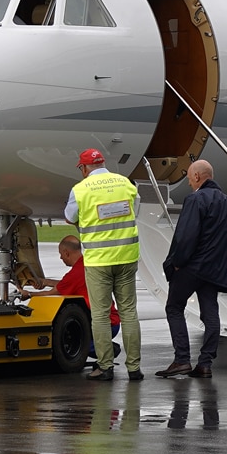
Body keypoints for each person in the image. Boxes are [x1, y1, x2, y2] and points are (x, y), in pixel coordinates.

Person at [157, 159, 227, 378]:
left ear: (198, 177)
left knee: (174, 307)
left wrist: (177, 262)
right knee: (210, 313)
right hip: (215, 270)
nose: (189, 182)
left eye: (190, 178)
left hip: (193, 266)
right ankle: (205, 363)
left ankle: (181, 360)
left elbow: (186, 236)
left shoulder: (196, 199)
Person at [66, 148, 143, 381]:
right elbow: (135, 210)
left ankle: (106, 367)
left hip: (98, 261)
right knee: (128, 312)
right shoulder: (125, 183)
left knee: (100, 315)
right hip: (127, 257)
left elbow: (70, 217)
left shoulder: (80, 190)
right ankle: (134, 368)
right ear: (102, 164)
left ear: (83, 168)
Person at [27, 234, 120, 371]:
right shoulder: (87, 265)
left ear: (66, 252)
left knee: (72, 343)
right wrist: (45, 282)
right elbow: (67, 284)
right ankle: (104, 346)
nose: (60, 258)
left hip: (105, 324)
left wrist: (28, 294)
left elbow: (51, 294)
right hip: (112, 321)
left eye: (61, 254)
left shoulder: (75, 273)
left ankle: (107, 349)